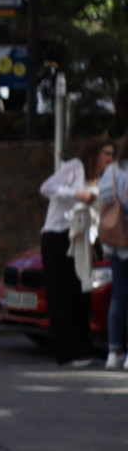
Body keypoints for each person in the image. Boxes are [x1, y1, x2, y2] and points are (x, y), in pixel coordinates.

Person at [41, 136, 113, 367]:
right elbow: (46, 187)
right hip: (58, 236)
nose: (110, 159)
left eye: (112, 154)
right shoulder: (75, 167)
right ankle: (67, 353)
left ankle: (84, 348)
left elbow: (94, 218)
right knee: (61, 295)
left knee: (80, 295)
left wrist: (93, 244)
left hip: (81, 241)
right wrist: (75, 194)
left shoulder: (100, 180)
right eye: (106, 154)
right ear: (94, 153)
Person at [97, 134, 128, 369]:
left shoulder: (112, 171)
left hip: (113, 239)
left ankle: (113, 352)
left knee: (119, 295)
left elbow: (103, 198)